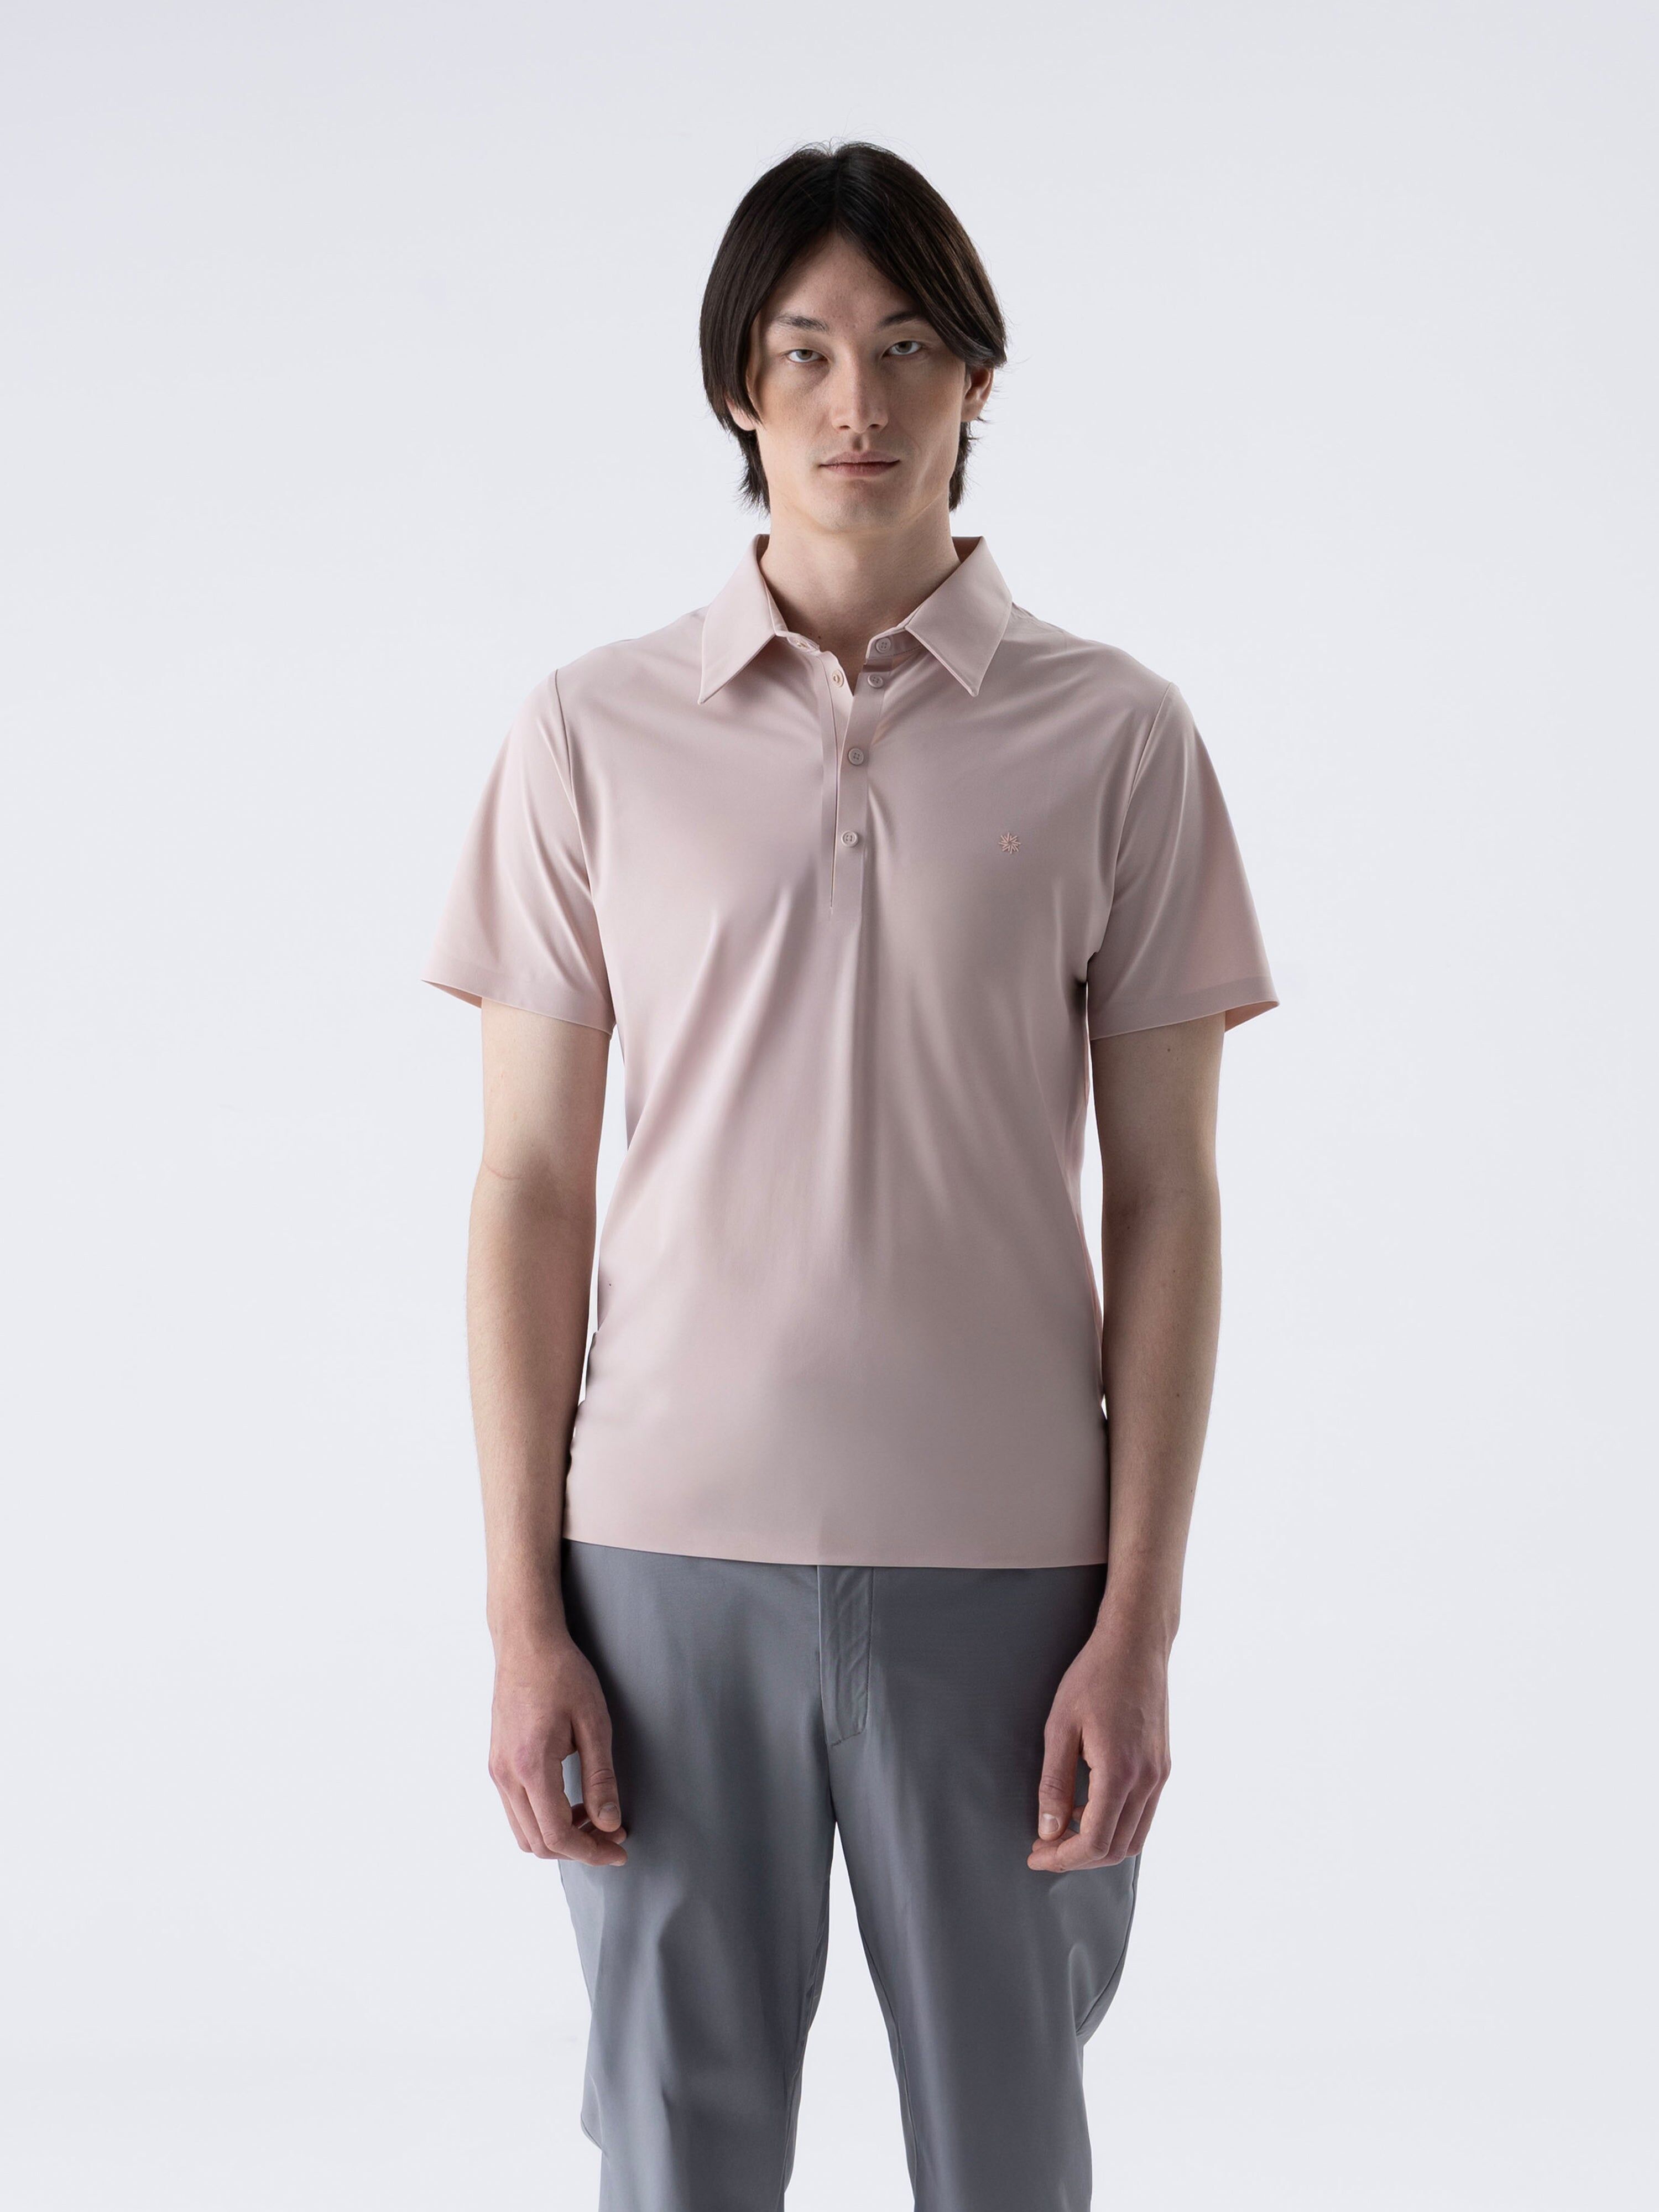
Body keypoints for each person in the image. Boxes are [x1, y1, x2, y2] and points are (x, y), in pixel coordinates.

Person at [421, 139, 1277, 2211]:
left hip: (1012, 1575)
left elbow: (1168, 1199)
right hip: (659, 1563)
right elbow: (528, 1187)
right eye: (803, 352)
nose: (856, 403)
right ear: (740, 387)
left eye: (905, 349)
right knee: (680, 2159)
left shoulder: (1120, 737)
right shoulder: (592, 732)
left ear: (980, 379)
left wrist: (1139, 1620)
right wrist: (524, 1617)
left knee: (1007, 2159)